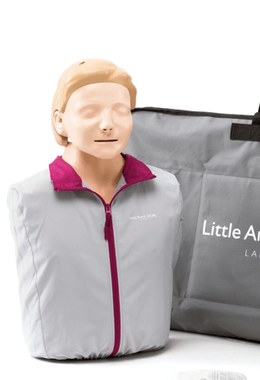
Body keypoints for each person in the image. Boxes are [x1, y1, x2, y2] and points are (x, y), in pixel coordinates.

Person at [7, 59, 182, 360]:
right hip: (58, 351)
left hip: (152, 345)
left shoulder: (164, 189)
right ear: (60, 121)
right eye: (90, 111)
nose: (108, 123)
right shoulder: (29, 197)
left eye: (121, 110)